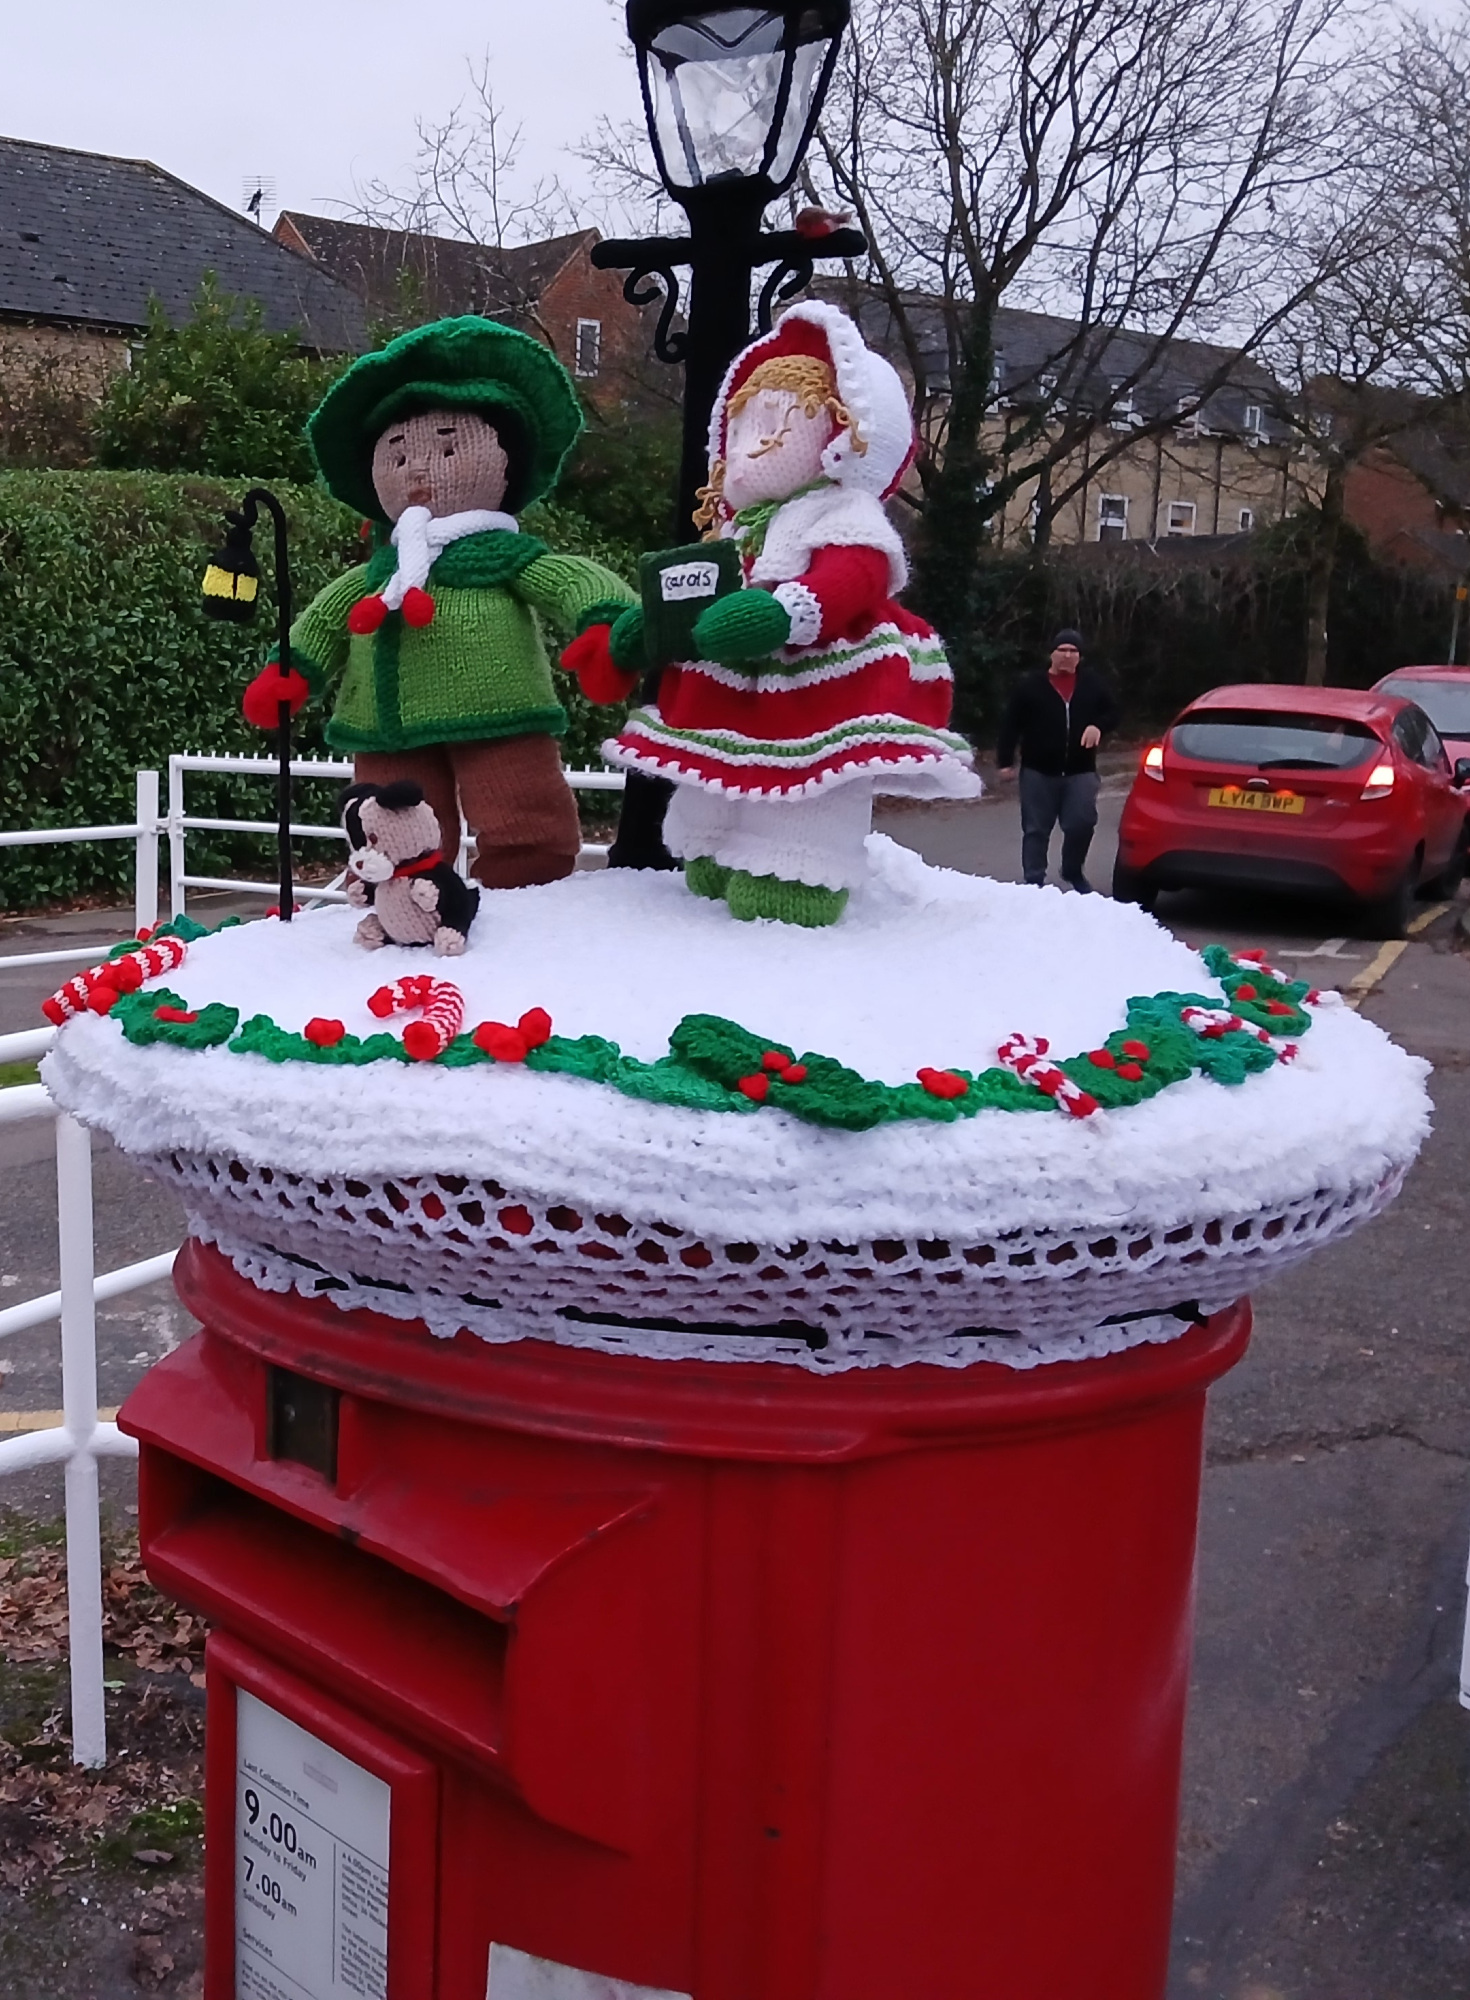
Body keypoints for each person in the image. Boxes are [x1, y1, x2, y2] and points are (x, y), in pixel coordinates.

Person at [240, 316, 634, 890]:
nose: (419, 470)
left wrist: (603, 621)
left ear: (504, 464)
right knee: (391, 829)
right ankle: (401, 897)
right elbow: (323, 622)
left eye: (449, 449)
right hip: (385, 728)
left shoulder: (501, 556)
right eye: (398, 458)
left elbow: (572, 580)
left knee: (520, 813)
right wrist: (293, 667)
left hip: (498, 712)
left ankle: (528, 893)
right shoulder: (378, 573)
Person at [995, 630, 1119, 892]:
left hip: (1081, 769)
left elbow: (1114, 712)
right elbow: (1011, 724)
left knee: (1082, 823)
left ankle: (1072, 870)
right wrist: (1004, 761)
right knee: (1036, 829)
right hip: (1038, 771)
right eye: (1062, 650)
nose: (1067, 655)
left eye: (1073, 651)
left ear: (1080, 657)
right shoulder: (1030, 686)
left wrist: (1098, 725)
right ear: (1051, 654)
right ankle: (1034, 879)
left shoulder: (1092, 684)